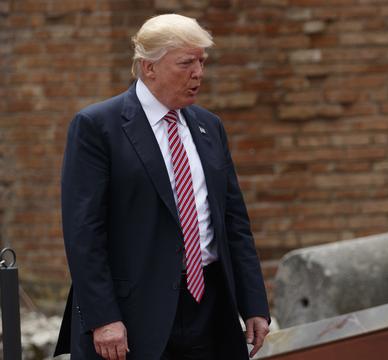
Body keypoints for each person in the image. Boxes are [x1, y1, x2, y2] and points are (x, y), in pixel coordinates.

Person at [54, 14, 270, 360]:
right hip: (134, 313)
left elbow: (234, 222)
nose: (198, 73)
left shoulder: (208, 126)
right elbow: (84, 233)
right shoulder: (97, 127)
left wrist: (254, 303)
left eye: (201, 61)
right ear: (148, 68)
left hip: (210, 306)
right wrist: (103, 317)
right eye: (186, 63)